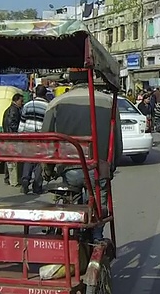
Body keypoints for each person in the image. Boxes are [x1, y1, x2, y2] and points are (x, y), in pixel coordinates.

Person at [42, 74, 122, 242]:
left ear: (72, 81)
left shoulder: (56, 102)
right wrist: (112, 166)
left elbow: (47, 141)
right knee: (99, 205)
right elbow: (117, 140)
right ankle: (97, 238)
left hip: (69, 168)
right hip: (99, 168)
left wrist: (47, 170)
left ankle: (73, 237)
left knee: (72, 202)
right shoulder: (108, 102)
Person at [18, 85, 49, 194]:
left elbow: (22, 122)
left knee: (28, 160)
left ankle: (25, 181)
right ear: (45, 94)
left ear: (35, 93)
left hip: (28, 136)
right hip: (41, 138)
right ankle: (37, 185)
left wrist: (20, 135)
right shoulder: (48, 106)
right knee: (39, 162)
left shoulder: (27, 105)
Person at [2, 93, 24, 186]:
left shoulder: (9, 109)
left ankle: (8, 178)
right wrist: (18, 132)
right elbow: (12, 124)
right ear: (16, 100)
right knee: (13, 160)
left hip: (8, 136)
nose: (22, 103)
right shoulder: (14, 110)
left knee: (9, 159)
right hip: (12, 137)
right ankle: (13, 179)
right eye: (21, 101)